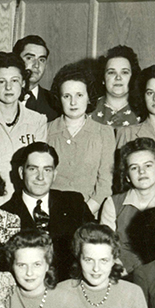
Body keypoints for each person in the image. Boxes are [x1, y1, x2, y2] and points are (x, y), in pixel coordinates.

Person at [1, 142, 93, 280]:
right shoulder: (3, 215)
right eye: (33, 169)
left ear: (54, 174)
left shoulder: (74, 203)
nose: (40, 177)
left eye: (47, 170)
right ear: (21, 172)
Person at [0, 51, 48, 198]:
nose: (8, 87)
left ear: (23, 83)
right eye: (1, 81)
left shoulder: (38, 121)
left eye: (14, 81)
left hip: (26, 200)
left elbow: (39, 168)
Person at [46, 63, 115, 214]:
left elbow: (105, 184)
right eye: (67, 96)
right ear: (59, 98)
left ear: (89, 97)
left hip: (89, 215)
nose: (73, 102)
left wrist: (84, 213)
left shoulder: (104, 133)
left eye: (79, 95)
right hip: (50, 214)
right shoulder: (45, 131)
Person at [99, 138, 155, 273]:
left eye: (148, 165)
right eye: (134, 167)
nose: (141, 172)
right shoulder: (113, 204)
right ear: (127, 176)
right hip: (123, 274)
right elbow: (107, 248)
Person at [2, 229, 69, 308]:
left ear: (47, 265)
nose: (29, 273)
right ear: (12, 266)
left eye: (37, 264)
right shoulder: (6, 296)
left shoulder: (64, 298)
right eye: (22, 265)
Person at [90, 45, 143, 129]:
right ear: (103, 78)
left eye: (124, 72)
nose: (118, 77)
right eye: (111, 72)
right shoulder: (89, 110)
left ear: (133, 77)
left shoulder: (143, 113)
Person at [14, 35, 61, 121]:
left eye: (41, 60)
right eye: (29, 58)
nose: (36, 65)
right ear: (16, 60)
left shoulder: (55, 103)